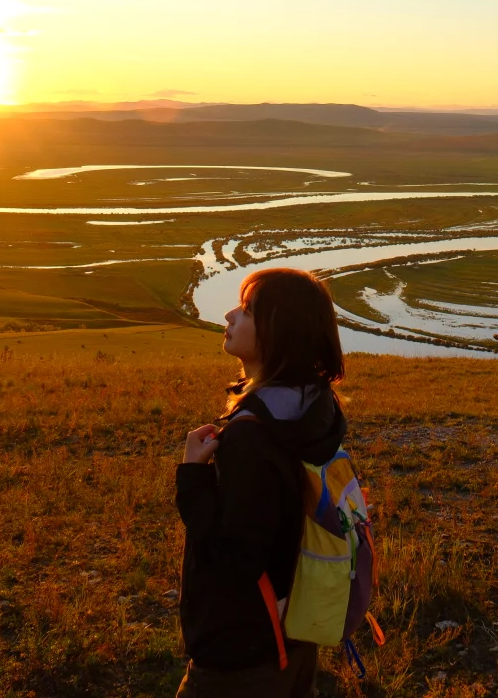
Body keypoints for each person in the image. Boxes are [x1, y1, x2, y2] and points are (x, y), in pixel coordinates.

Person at [174, 268, 347, 698]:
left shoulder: (252, 437)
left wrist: (194, 477)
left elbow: (235, 562)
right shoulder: (315, 406)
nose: (230, 315)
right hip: (296, 629)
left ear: (279, 331)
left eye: (248, 309)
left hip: (241, 652)